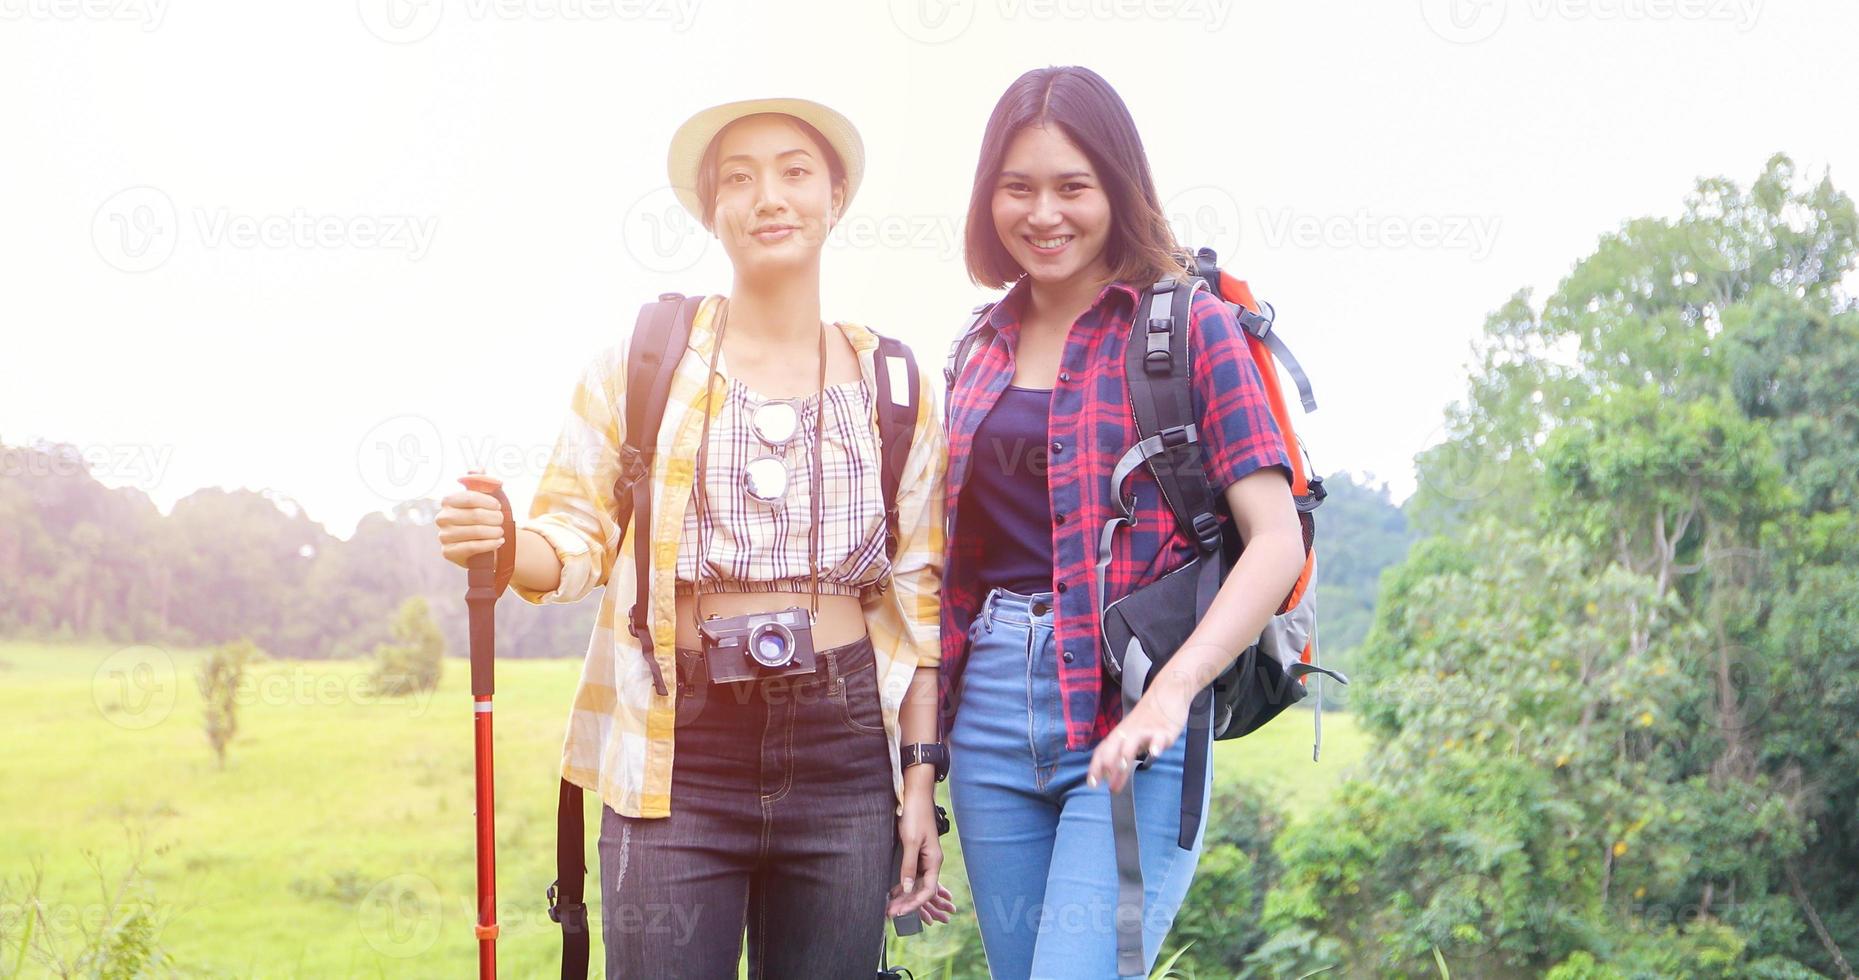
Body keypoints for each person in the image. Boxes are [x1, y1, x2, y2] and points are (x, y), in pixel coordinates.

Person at [437, 96, 953, 979]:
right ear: (712, 210)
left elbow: (918, 598)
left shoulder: (896, 383)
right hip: (675, 740)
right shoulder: (643, 361)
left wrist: (916, 782)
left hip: (843, 747)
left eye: (794, 172)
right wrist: (503, 542)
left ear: (835, 199)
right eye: (739, 179)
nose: (768, 198)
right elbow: (574, 536)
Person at [940, 66, 1309, 978]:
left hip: (1132, 716)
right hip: (987, 717)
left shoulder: (1187, 327)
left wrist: (1172, 693)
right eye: (1016, 188)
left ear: (1118, 187)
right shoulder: (975, 349)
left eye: (1073, 186)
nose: (1043, 214)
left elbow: (1275, 539)